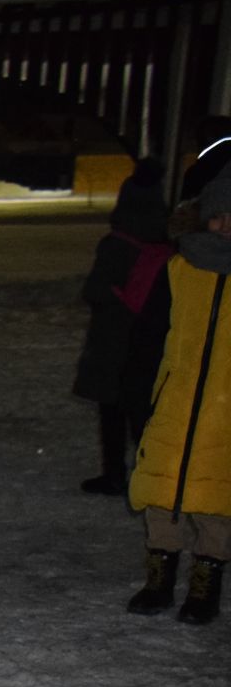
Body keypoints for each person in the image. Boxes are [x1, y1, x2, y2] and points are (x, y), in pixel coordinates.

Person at [118, 164, 231, 625]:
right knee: (161, 496)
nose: (226, 226)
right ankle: (158, 579)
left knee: (217, 500)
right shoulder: (180, 270)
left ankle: (205, 584)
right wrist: (139, 397)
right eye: (219, 216)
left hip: (224, 413)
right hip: (174, 402)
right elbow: (147, 339)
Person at [70, 162, 171, 495]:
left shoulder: (117, 242)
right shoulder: (165, 243)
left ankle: (114, 473)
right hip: (151, 339)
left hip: (114, 339)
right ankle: (151, 473)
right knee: (143, 412)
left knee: (112, 411)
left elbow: (95, 291)